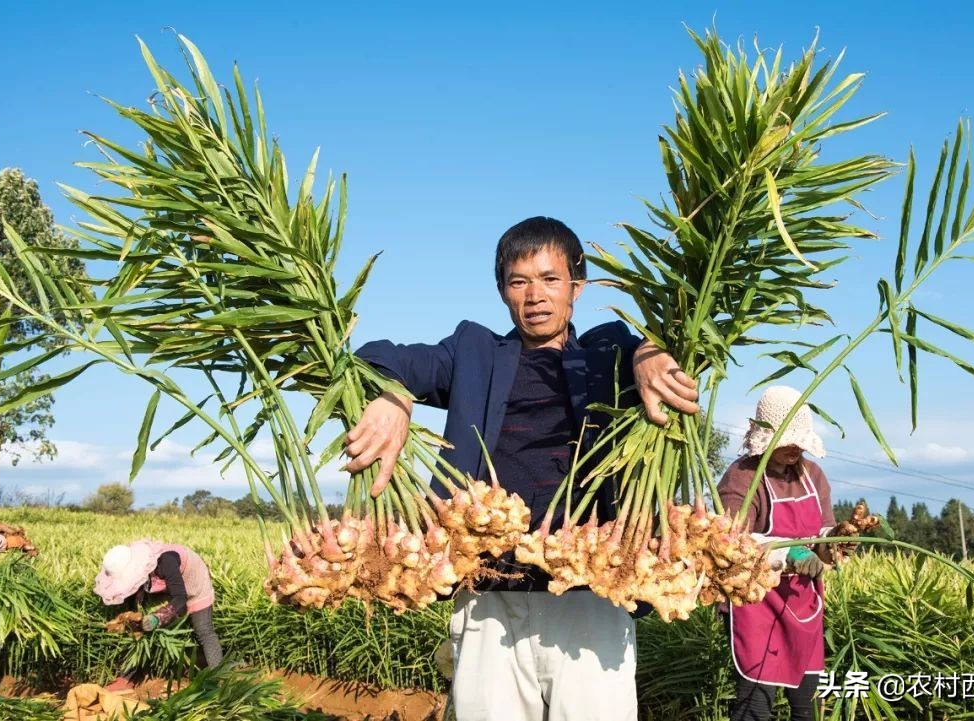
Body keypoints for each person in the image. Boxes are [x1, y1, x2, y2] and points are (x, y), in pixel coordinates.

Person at [347, 216, 699, 721]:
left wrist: (648, 352)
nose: (535, 295)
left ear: (577, 285)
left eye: (550, 279)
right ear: (502, 291)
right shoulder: (474, 352)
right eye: (519, 281)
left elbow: (660, 355)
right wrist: (394, 397)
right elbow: (380, 356)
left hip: (591, 594)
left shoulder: (609, 356)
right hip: (489, 595)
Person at [716, 384, 839, 721]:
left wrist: (837, 541)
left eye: (801, 441)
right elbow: (730, 542)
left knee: (807, 704)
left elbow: (824, 532)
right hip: (756, 604)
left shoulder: (813, 475)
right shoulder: (742, 477)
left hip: (803, 604)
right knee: (755, 705)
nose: (796, 448)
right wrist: (790, 555)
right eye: (788, 441)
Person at [93, 539, 222, 692]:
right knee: (140, 631)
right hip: (168, 586)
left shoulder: (166, 561)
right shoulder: (140, 572)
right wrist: (130, 619)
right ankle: (127, 678)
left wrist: (157, 618)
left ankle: (219, 678)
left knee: (203, 630)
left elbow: (180, 600)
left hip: (193, 583)